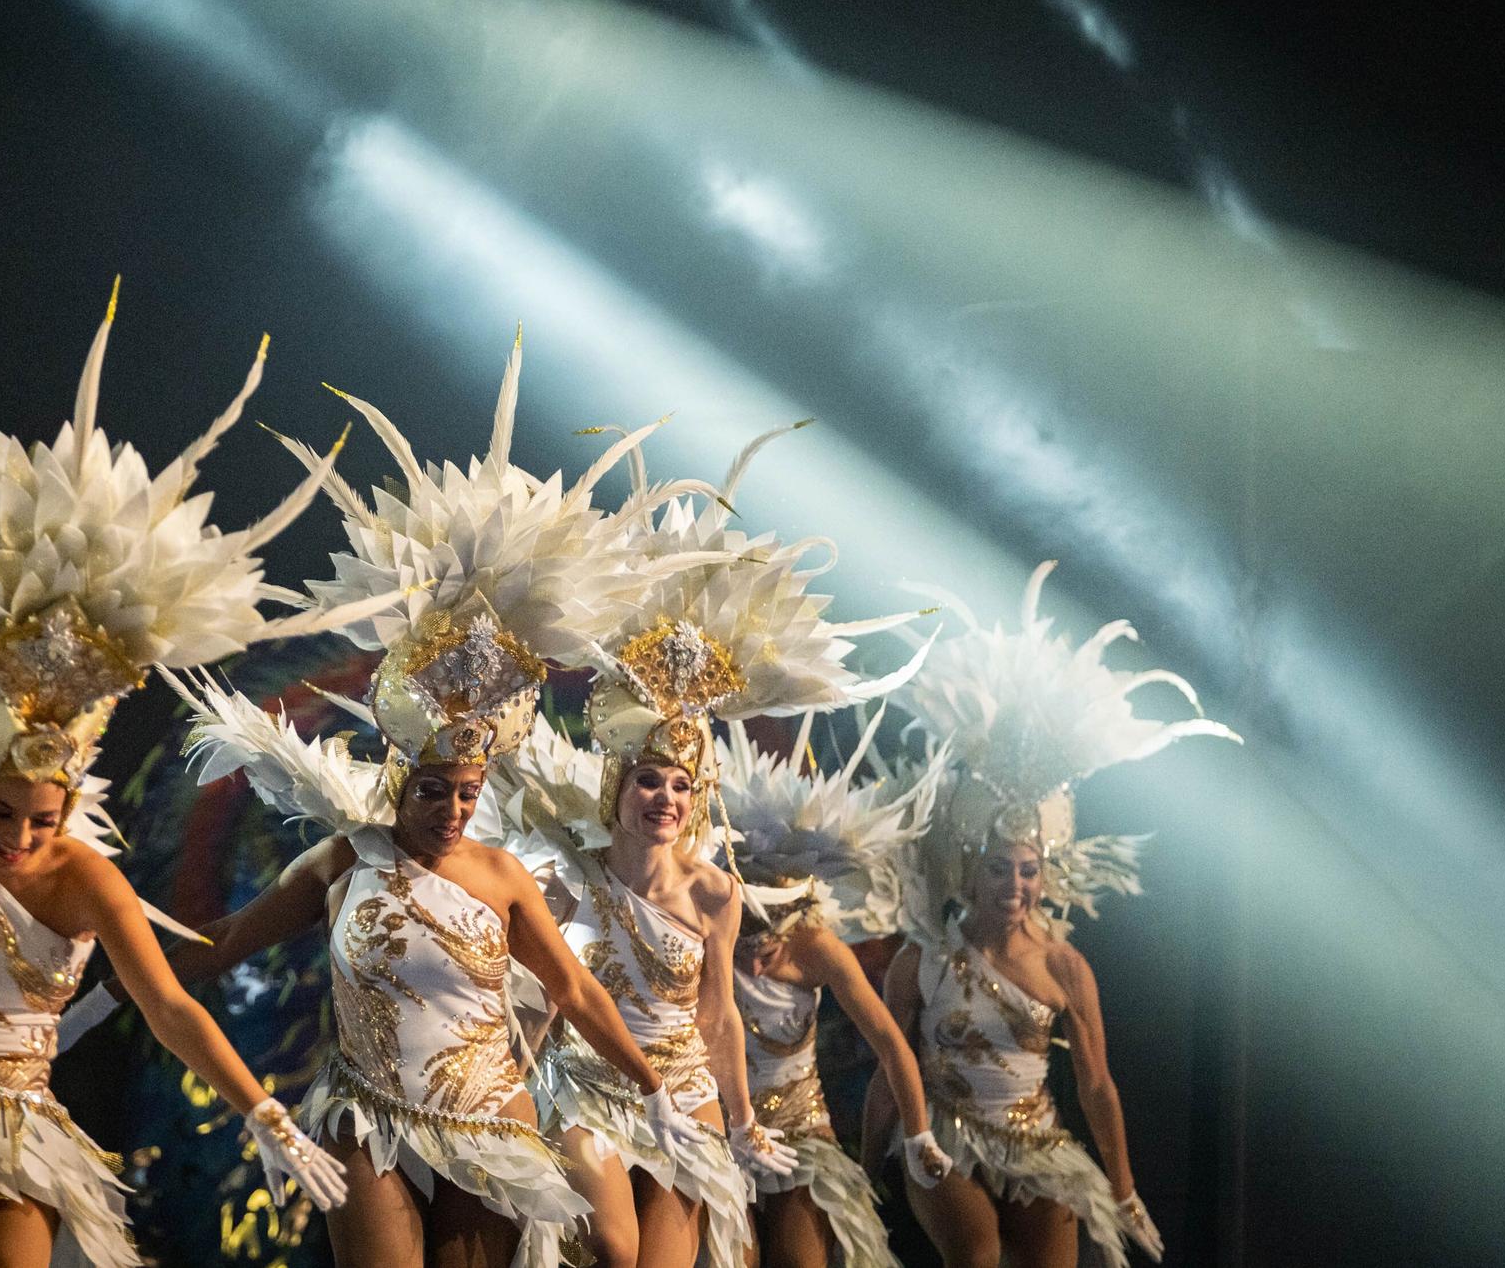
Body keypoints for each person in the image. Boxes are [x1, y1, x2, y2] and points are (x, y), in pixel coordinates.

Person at [62, 328, 714, 1267]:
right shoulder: (343, 860)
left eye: (468, 792)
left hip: (489, 1120)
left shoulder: (499, 876)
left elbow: (571, 989)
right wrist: (108, 966)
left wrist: (651, 1086)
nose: (453, 809)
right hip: (367, 1117)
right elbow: (223, 946)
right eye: (437, 791)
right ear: (400, 780)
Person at [0, 287, 362, 1265]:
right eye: (2, 813)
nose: (20, 838)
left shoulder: (86, 879)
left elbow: (168, 1004)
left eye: (43, 818)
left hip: (22, 1122)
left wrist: (265, 1112)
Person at [496, 425, 933, 1268]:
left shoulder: (714, 895)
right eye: (649, 780)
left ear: (695, 800)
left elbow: (717, 1014)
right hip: (593, 1086)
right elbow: (549, 993)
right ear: (619, 787)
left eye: (679, 785)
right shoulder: (569, 878)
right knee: (613, 1248)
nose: (664, 797)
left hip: (690, 1093)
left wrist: (739, 1120)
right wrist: (512, 1074)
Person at [869, 562, 1240, 1268]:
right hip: (945, 1132)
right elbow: (895, 1067)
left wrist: (1125, 1190)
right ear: (970, 871)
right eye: (998, 868)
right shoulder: (925, 961)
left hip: (1038, 1143)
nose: (1013, 883)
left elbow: (1097, 1082)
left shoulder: (1065, 966)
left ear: (1044, 875)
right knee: (976, 1253)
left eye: (1027, 870)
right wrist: (867, 1167)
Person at [716, 718, 953, 1268]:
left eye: (767, 937)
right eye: (742, 934)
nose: (752, 954)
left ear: (795, 914)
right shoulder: (702, 938)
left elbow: (892, 1045)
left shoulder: (819, 948)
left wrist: (919, 1135)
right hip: (722, 1128)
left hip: (801, 1129)